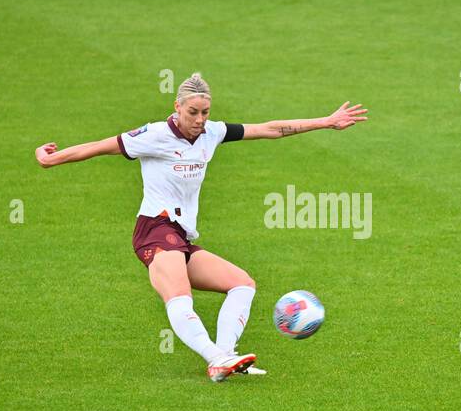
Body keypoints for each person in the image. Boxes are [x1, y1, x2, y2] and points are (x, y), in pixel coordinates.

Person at [34, 74, 369, 383]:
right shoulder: (153, 135)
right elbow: (98, 147)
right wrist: (52, 158)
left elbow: (269, 129)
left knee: (242, 284)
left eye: (205, 112)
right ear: (177, 107)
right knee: (180, 295)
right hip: (155, 229)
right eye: (193, 112)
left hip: (179, 236)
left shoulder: (213, 133)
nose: (199, 120)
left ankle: (225, 357)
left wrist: (325, 122)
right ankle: (214, 357)